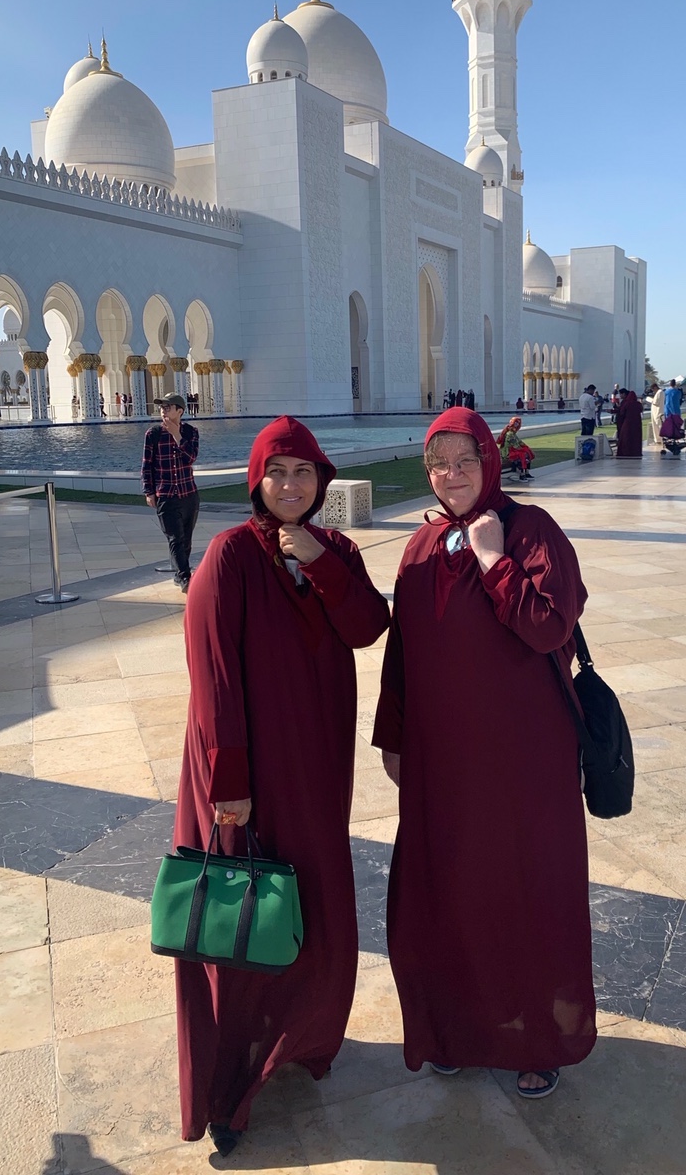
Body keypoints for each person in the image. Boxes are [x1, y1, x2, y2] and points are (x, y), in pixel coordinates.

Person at [173, 416, 389, 1154]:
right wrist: (227, 780)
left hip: (315, 766)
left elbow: (367, 626)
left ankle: (302, 1037)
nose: (291, 486)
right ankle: (233, 1080)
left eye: (304, 474)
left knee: (306, 898)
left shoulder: (339, 549)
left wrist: (320, 560)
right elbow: (213, 675)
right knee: (240, 914)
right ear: (256, 481)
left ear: (321, 483)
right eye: (278, 473)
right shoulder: (230, 555)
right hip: (247, 769)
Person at [372, 406, 595, 1098]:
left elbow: (548, 625)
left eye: (466, 460)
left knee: (525, 892)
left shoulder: (530, 531)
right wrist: (394, 734)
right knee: (454, 894)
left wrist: (495, 558)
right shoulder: (418, 546)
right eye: (439, 463)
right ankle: (458, 1030)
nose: (452, 475)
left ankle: (536, 1040)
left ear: (489, 462)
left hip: (526, 762)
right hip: (445, 761)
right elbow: (401, 653)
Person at [141, 394, 200, 592]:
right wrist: (149, 491)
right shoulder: (153, 434)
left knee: (186, 538)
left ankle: (179, 573)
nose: (163, 410)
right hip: (166, 495)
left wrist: (177, 435)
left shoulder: (191, 432)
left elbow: (190, 458)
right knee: (175, 538)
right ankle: (185, 577)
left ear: (180, 411)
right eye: (162, 407)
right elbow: (147, 466)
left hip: (188, 494)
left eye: (168, 407)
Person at [615, 387, 643, 457]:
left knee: (626, 438)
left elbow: (621, 413)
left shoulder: (626, 403)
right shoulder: (638, 404)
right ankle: (635, 452)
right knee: (635, 438)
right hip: (637, 424)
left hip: (627, 423)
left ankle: (625, 452)